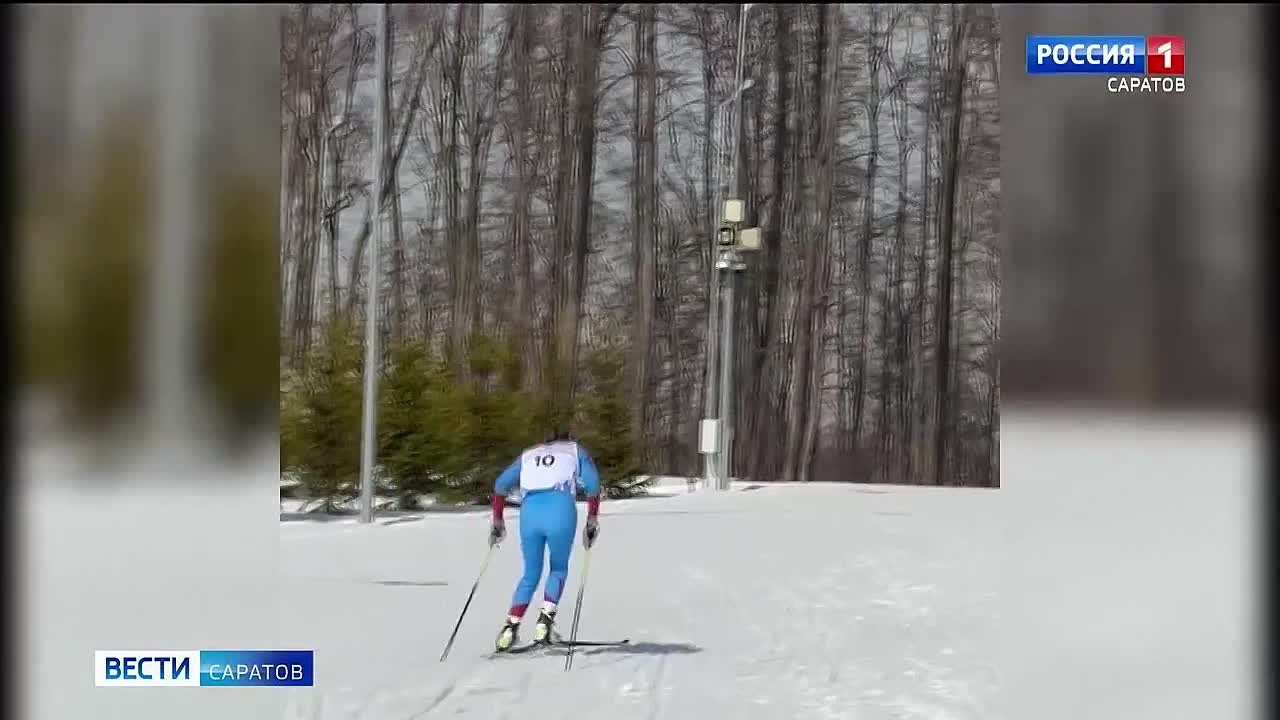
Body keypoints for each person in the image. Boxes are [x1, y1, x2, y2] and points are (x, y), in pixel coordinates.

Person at [488, 430, 602, 652]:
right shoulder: (575, 450)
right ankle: (545, 622)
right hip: (560, 509)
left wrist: (498, 521)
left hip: (530, 512)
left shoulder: (530, 453)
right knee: (558, 568)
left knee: (530, 573)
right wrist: (592, 520)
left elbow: (500, 485)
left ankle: (510, 628)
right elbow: (593, 485)